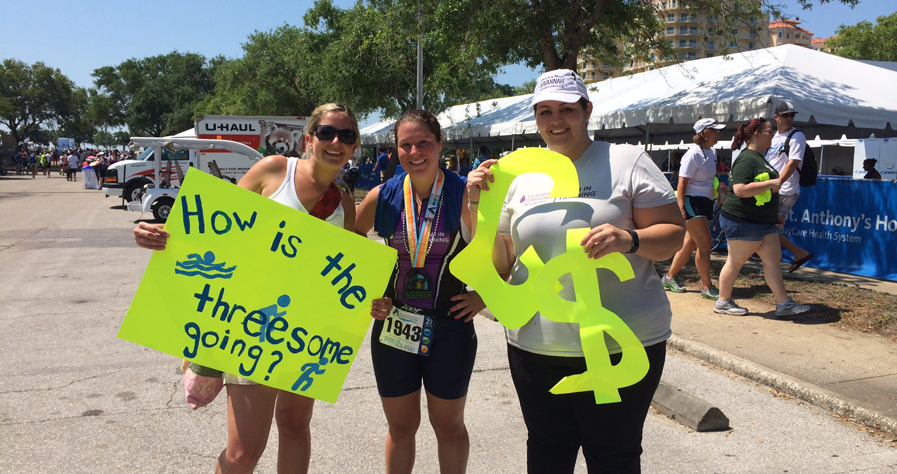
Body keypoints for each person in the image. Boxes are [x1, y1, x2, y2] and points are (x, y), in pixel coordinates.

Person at [471, 69, 685, 473]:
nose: (556, 120)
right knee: (548, 454)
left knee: (614, 456)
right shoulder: (517, 173)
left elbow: (675, 235)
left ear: (587, 110)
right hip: (536, 345)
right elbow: (501, 262)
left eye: (567, 109)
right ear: (534, 117)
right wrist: (475, 208)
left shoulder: (625, 160)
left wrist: (630, 239)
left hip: (622, 343)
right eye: (545, 111)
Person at [133, 103, 359, 474]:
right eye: (326, 133)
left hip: (305, 333)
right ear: (308, 138)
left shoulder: (344, 205)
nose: (336, 141)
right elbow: (215, 226)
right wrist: (159, 235)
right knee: (244, 452)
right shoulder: (274, 170)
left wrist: (372, 299)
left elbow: (347, 274)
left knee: (295, 426)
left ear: (354, 148)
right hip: (249, 324)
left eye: (346, 136)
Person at [355, 109, 485, 474]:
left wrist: (484, 297)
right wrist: (371, 292)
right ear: (396, 150)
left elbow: (503, 251)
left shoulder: (464, 194)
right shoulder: (383, 196)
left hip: (450, 325)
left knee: (448, 426)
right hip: (394, 324)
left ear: (440, 144)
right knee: (400, 427)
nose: (415, 152)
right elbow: (348, 242)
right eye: (405, 145)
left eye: (423, 143)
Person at [714, 117, 811, 318]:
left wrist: (773, 215)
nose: (773, 134)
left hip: (762, 221)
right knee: (735, 262)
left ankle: (783, 304)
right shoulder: (746, 158)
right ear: (756, 134)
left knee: (772, 260)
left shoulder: (758, 157)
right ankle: (723, 302)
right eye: (769, 131)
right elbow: (739, 189)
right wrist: (771, 184)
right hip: (741, 220)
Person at [661, 118, 725, 300]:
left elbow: (707, 179)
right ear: (705, 132)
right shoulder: (692, 154)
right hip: (691, 201)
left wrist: (718, 190)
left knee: (690, 243)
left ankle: (668, 278)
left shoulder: (712, 152)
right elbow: (682, 182)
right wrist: (681, 205)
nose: (718, 133)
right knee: (705, 244)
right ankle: (707, 287)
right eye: (715, 130)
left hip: (705, 201)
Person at [765, 101, 814, 273]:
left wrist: (778, 182)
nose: (789, 118)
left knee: (769, 230)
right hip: (771, 189)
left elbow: (793, 163)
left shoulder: (797, 136)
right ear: (776, 117)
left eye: (792, 115)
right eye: (785, 115)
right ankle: (778, 264)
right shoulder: (773, 137)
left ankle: (795, 255)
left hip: (785, 190)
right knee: (768, 230)